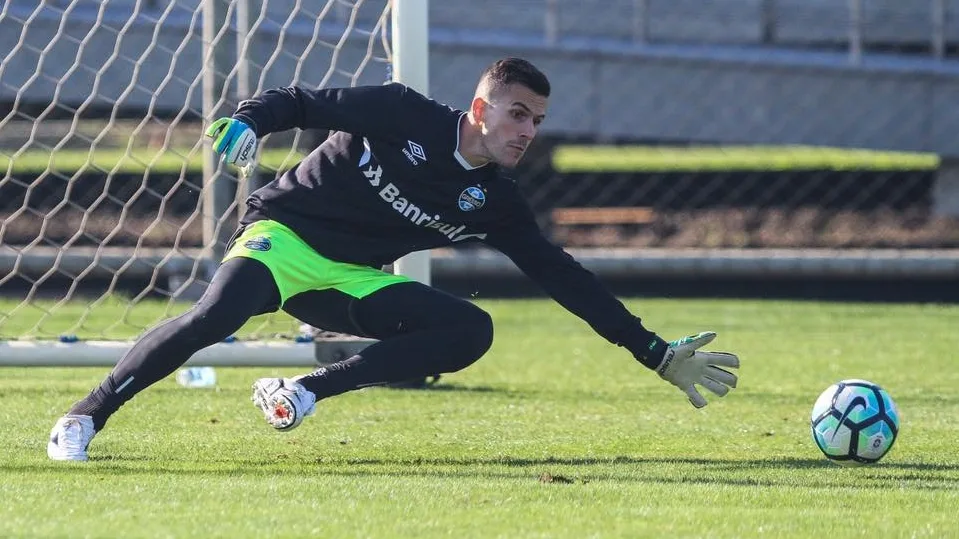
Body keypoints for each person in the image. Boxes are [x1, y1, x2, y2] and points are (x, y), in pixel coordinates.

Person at [47, 57, 740, 461]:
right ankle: (86, 414)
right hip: (285, 237)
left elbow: (565, 276)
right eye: (517, 113)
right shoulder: (401, 111)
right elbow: (301, 101)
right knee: (217, 314)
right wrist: (251, 119)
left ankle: (306, 392)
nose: (527, 131)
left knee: (471, 331)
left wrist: (650, 350)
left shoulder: (495, 200)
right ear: (480, 108)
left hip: (351, 280)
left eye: (536, 120)